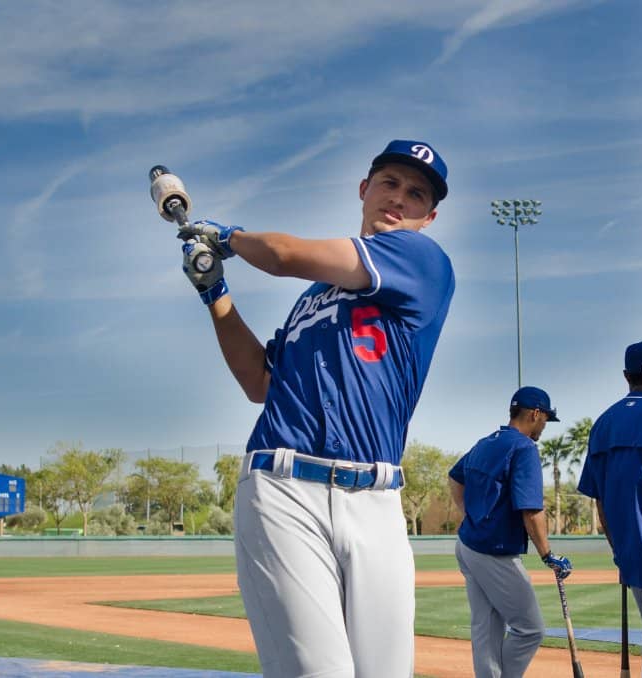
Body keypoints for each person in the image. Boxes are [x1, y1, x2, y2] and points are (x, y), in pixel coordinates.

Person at [177, 140, 454, 677]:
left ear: (429, 216)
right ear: (364, 189)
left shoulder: (423, 259)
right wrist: (216, 293)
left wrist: (227, 237)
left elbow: (281, 255)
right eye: (390, 183)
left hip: (377, 499)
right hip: (284, 490)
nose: (400, 198)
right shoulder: (314, 298)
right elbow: (259, 382)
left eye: (417, 194)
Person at [447, 386, 573, 678]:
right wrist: (548, 555)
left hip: (468, 545)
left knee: (486, 630)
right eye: (545, 419)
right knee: (530, 629)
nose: (544, 426)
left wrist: (469, 514)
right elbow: (530, 511)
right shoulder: (524, 447)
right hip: (494, 551)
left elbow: (454, 478)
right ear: (535, 413)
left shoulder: (486, 442)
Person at [577, 341, 642, 678]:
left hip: (633, 552)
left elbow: (599, 499)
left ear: (626, 376)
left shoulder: (603, 424)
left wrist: (619, 547)